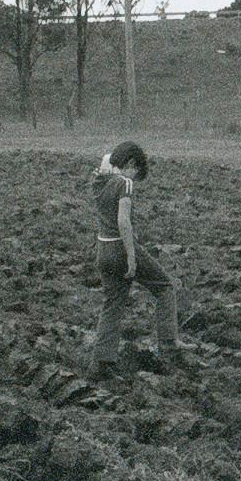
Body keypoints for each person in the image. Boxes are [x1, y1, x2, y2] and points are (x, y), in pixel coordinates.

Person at [85, 141, 184, 379]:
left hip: (103, 250)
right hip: (120, 248)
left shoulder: (99, 183)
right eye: (136, 172)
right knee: (165, 287)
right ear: (131, 165)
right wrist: (131, 256)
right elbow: (123, 221)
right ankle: (169, 347)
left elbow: (106, 161)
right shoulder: (125, 183)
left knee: (113, 303)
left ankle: (102, 361)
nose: (135, 178)